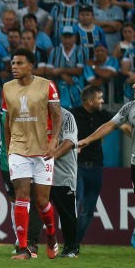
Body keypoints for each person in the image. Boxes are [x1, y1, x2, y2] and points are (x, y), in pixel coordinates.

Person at [79, 74, 135, 257]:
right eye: (134, 83)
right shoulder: (129, 107)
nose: (133, 86)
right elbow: (110, 125)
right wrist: (87, 140)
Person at [3, 48, 62, 260]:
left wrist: (53, 141)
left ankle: (52, 235)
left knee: (42, 201)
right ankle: (23, 247)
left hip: (42, 150)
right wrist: (10, 149)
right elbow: (7, 121)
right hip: (18, 149)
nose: (14, 67)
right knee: (21, 195)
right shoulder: (7, 88)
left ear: (31, 65)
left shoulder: (47, 86)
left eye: (19, 63)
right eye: (12, 63)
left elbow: (57, 116)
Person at [70, 85, 110, 247]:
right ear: (89, 100)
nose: (102, 101)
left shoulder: (103, 116)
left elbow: (122, 124)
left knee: (88, 210)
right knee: (76, 200)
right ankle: (70, 240)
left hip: (96, 167)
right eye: (99, 98)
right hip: (77, 166)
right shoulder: (73, 115)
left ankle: (74, 243)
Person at [50, 105, 79, 258]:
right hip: (42, 174)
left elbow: (69, 142)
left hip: (63, 174)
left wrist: (51, 157)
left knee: (66, 213)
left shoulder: (66, 116)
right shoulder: (38, 115)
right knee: (36, 210)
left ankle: (71, 248)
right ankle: (31, 246)